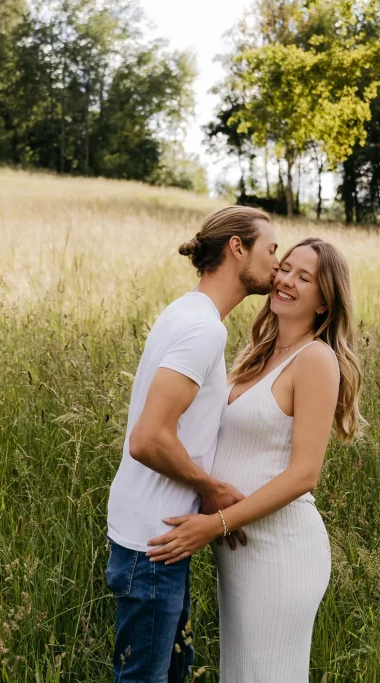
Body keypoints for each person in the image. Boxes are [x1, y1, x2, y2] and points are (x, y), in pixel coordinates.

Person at [146, 237, 363, 682]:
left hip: (280, 551)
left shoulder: (316, 360)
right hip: (240, 553)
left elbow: (305, 474)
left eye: (304, 278)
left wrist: (215, 524)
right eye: (285, 268)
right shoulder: (257, 356)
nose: (285, 280)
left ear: (325, 301)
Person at [105, 205, 280, 682]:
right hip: (154, 544)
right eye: (271, 249)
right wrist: (213, 488)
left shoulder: (188, 312)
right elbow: (148, 438)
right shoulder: (203, 329)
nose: (277, 263)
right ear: (237, 248)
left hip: (157, 538)